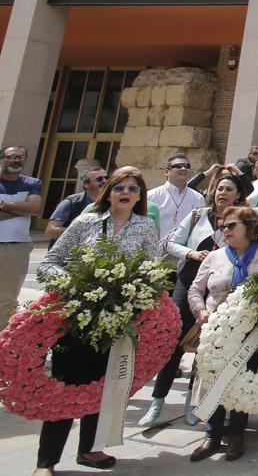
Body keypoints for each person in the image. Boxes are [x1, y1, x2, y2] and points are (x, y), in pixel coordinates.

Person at [36, 170, 160, 473]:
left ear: (140, 195)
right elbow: (50, 263)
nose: (126, 192)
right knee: (66, 388)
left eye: (133, 188)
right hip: (79, 319)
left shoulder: (145, 226)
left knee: (105, 387)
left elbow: (153, 267)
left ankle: (91, 449)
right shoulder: (85, 222)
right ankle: (47, 461)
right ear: (109, 192)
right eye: (119, 187)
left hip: (118, 320)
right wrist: (76, 283)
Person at [142, 172, 251, 428]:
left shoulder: (241, 220)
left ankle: (194, 402)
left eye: (228, 189)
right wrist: (191, 253)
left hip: (220, 285)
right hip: (190, 279)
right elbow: (172, 244)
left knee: (206, 344)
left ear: (238, 196)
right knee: (177, 339)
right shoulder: (197, 216)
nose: (222, 193)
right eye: (219, 188)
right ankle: (157, 399)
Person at [187, 206, 258, 462]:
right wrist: (201, 312)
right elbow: (195, 289)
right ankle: (212, 435)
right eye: (223, 226)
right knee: (215, 380)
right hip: (217, 330)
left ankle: (237, 435)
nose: (226, 230)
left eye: (232, 225)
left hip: (251, 332)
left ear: (249, 226)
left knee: (242, 381)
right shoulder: (214, 258)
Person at [0, 145, 42, 327]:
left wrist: (3, 204)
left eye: (20, 157)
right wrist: (21, 209)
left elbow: (35, 208)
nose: (16, 160)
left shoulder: (32, 183)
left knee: (8, 298)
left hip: (17, 247)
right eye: (11, 157)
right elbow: (28, 209)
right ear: (2, 158)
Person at [146, 153, 206, 244]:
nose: (183, 169)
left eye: (187, 166)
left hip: (184, 252)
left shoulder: (198, 198)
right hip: (155, 251)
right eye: (178, 166)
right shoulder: (151, 196)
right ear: (167, 172)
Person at [45, 166, 106, 243]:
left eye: (106, 177)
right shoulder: (71, 202)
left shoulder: (112, 202)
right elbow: (51, 231)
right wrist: (85, 233)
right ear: (86, 184)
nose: (105, 181)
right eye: (99, 179)